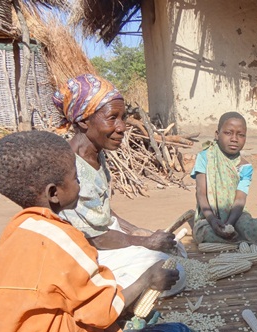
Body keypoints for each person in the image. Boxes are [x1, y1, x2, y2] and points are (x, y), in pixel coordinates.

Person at [0, 131, 198, 332]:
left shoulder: (14, 234)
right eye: (75, 177)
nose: (81, 182)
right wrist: (149, 278)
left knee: (135, 317)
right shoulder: (63, 240)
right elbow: (103, 311)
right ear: (54, 192)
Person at [53, 73, 185, 297]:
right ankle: (110, 298)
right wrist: (144, 242)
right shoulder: (69, 169)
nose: (122, 127)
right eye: (112, 117)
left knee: (177, 251)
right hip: (84, 250)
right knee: (171, 270)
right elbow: (94, 237)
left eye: (122, 117)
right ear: (84, 120)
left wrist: (135, 230)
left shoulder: (96, 153)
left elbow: (101, 210)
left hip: (104, 237)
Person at [191, 111, 257, 246]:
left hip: (236, 215)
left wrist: (230, 224)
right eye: (228, 133)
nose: (234, 139)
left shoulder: (245, 166)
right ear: (217, 134)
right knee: (204, 235)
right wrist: (213, 220)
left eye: (241, 135)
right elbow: (201, 194)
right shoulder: (205, 157)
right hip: (209, 217)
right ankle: (248, 235)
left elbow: (240, 199)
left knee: (255, 231)